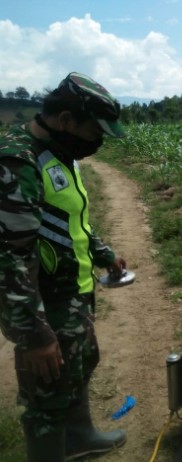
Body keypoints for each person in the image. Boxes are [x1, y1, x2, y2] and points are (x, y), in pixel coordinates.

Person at [0, 72, 128, 461]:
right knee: (47, 394)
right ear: (67, 120)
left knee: (77, 366)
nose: (98, 141)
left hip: (71, 293)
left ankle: (79, 437)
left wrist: (102, 252)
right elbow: (8, 257)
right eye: (95, 131)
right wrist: (35, 334)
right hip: (43, 305)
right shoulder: (17, 161)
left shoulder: (57, 153)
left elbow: (67, 218)